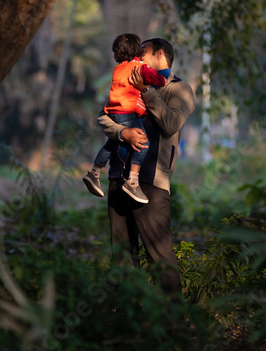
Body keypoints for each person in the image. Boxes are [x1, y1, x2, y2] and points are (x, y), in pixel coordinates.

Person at [97, 38, 195, 295]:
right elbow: (103, 117)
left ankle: (172, 321)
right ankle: (126, 319)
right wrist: (123, 133)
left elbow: (172, 123)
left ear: (161, 54)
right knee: (122, 256)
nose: (137, 58)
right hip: (119, 177)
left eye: (143, 53)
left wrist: (147, 91)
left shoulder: (179, 89)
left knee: (159, 256)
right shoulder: (129, 76)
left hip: (151, 182)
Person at [83, 34, 166, 204]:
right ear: (138, 51)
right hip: (127, 113)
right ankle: (133, 181)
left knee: (111, 143)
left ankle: (95, 172)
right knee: (143, 143)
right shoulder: (139, 68)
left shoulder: (118, 69)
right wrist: (156, 78)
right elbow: (160, 80)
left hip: (113, 112)